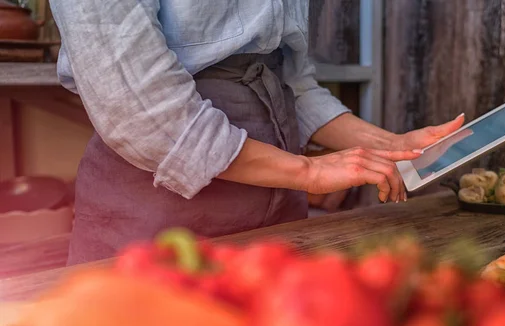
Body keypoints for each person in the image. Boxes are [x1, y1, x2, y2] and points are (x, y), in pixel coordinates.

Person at [49, 0, 465, 266]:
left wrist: (390, 146)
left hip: (276, 195)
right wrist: (308, 172)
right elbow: (134, 99)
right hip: (161, 200)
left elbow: (288, 80)